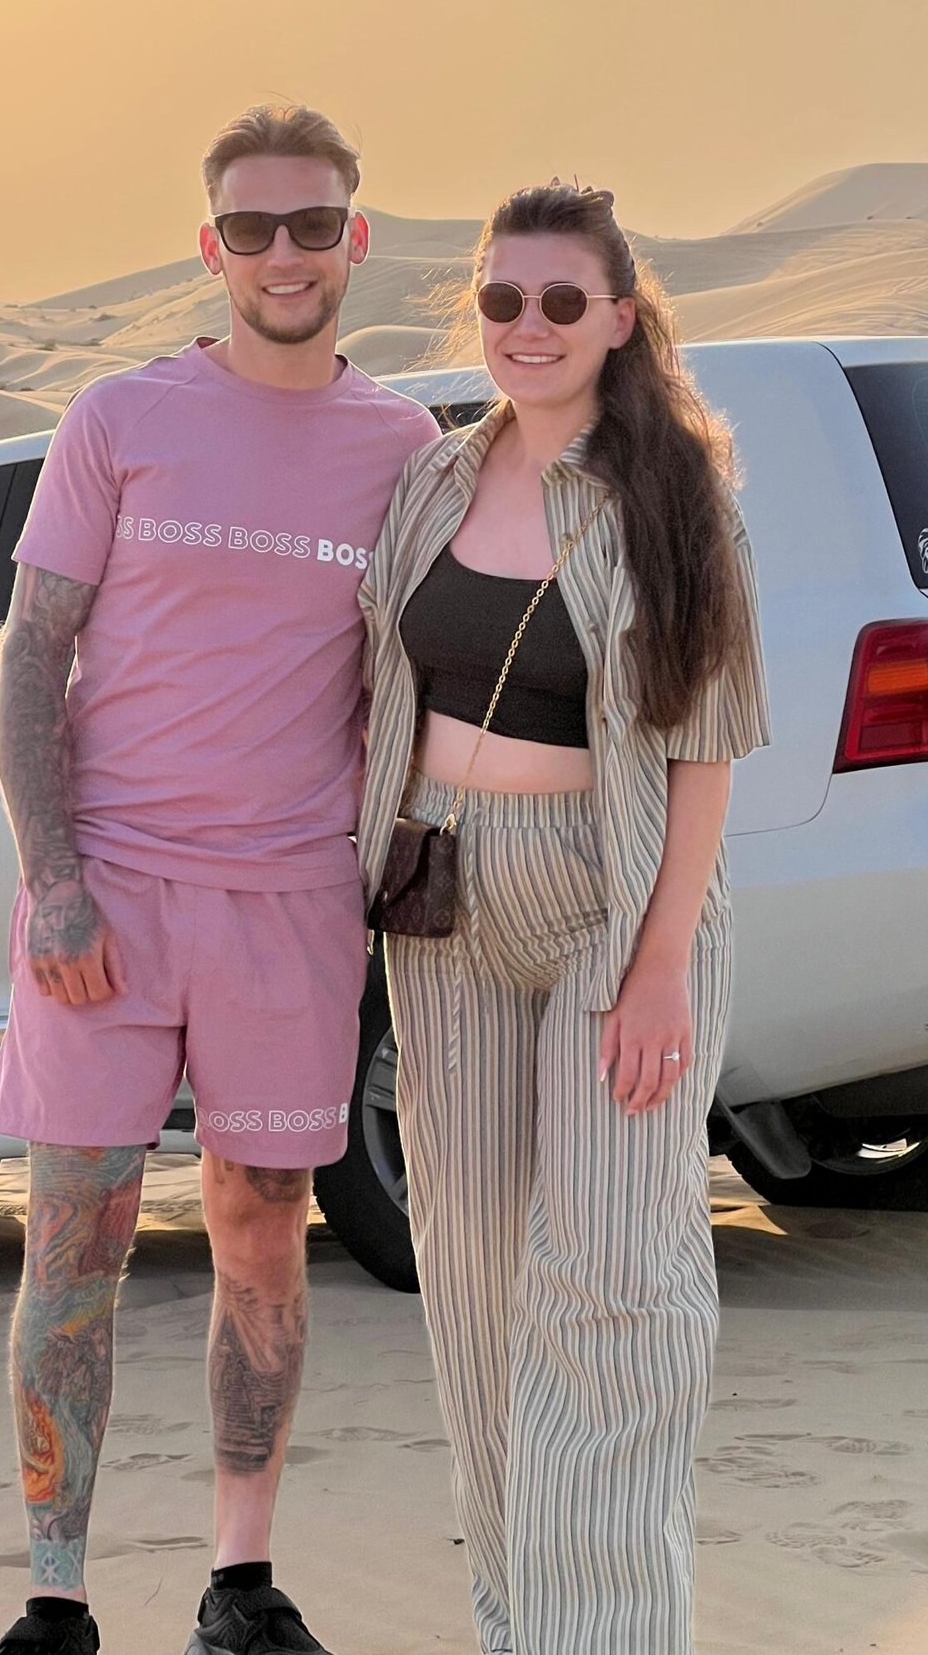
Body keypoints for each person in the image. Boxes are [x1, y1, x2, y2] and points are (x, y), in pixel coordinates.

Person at [0, 104, 440, 1655]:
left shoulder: (404, 448)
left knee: (261, 1225)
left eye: (312, 224)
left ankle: (240, 1584)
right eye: (253, 227)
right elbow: (31, 652)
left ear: (354, 238)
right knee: (76, 1237)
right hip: (109, 892)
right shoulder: (119, 416)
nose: (284, 254)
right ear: (212, 246)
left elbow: (426, 672)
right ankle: (56, 1596)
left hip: (289, 903)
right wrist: (53, 879)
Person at [357, 181, 770, 1655]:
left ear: (618, 320)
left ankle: (610, 1636)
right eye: (499, 298)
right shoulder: (430, 481)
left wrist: (663, 970)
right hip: (442, 903)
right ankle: (519, 1624)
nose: (524, 327)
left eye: (557, 302)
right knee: (472, 1286)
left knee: (610, 1284)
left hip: (615, 901)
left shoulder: (673, 501)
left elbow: (709, 746)